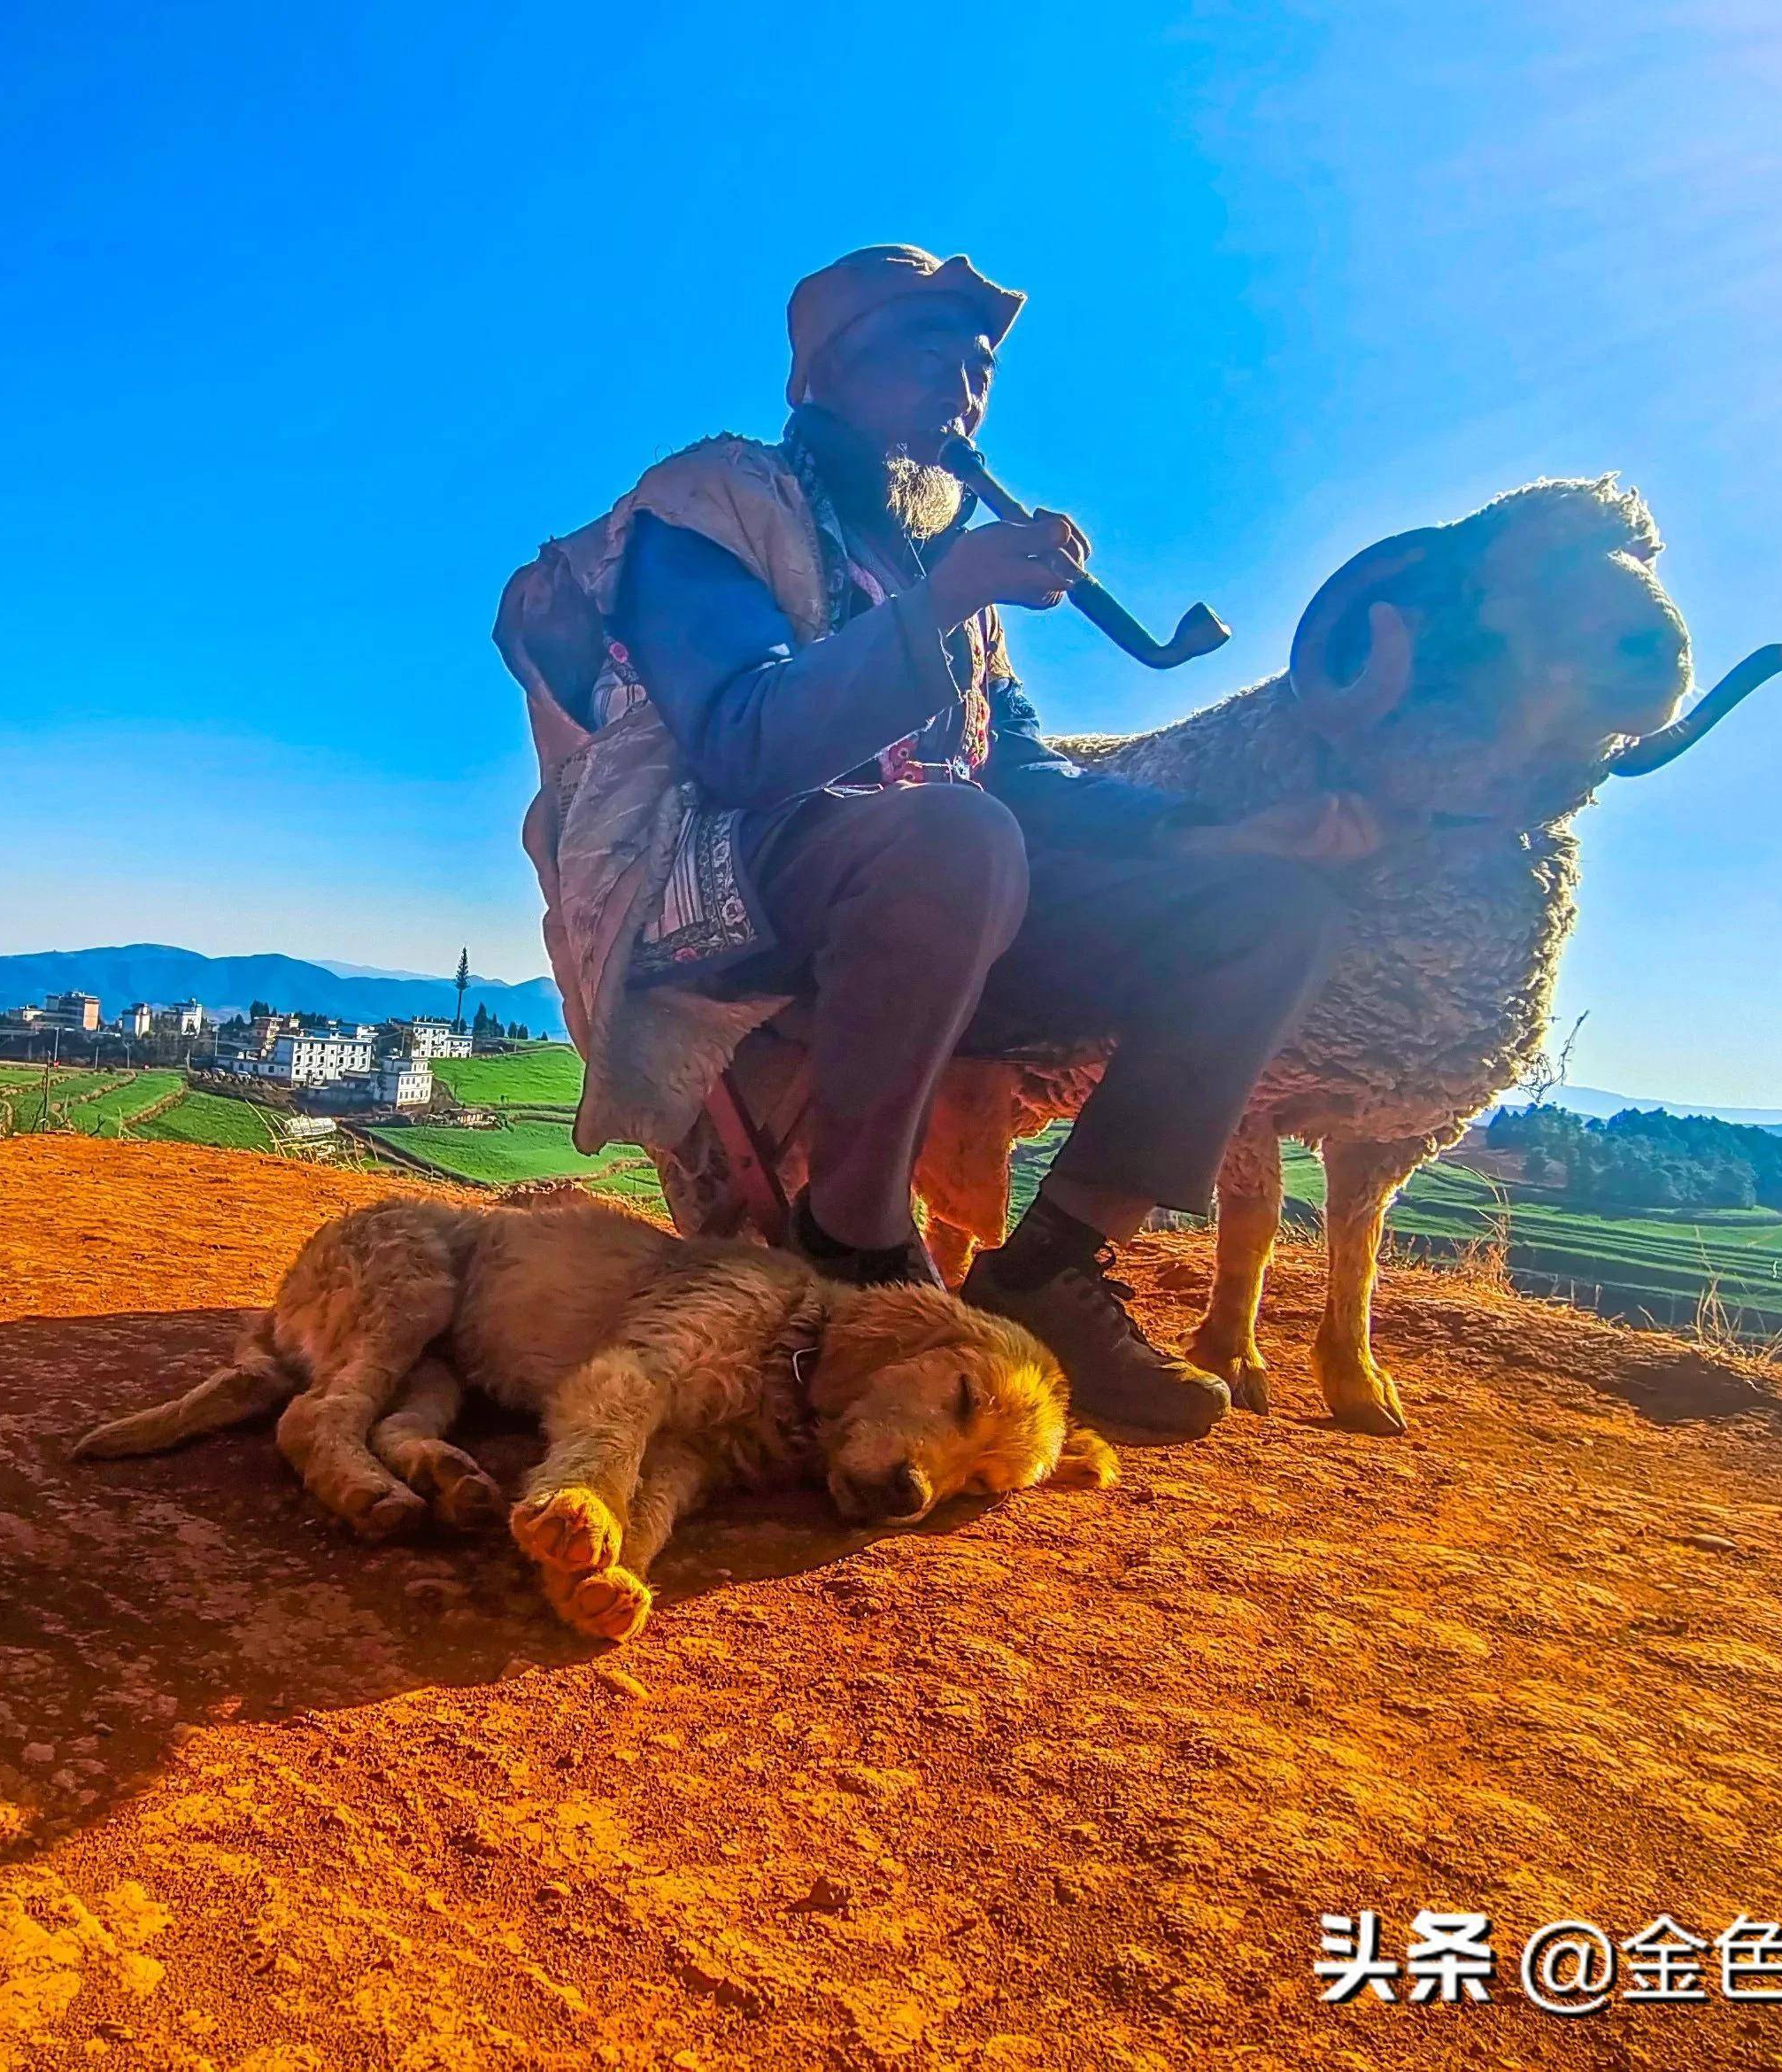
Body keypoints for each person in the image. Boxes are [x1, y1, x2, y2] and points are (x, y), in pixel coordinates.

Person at [515, 245, 1375, 1439]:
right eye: (927, 352)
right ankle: (856, 1238)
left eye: (978, 370)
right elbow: (742, 742)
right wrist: (940, 604)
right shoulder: (713, 501)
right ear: (823, 375)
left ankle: (1053, 1266)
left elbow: (1025, 776)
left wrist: (1213, 833)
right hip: (726, 884)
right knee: (954, 835)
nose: (962, 392)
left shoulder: (930, 562)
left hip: (939, 889)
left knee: (1270, 909)